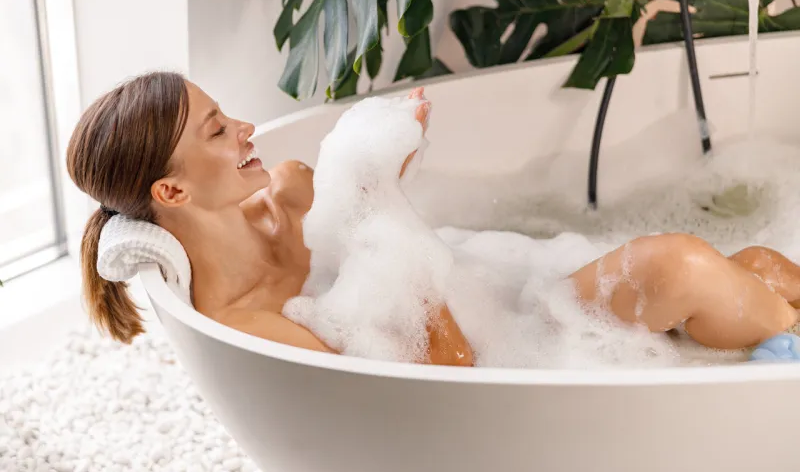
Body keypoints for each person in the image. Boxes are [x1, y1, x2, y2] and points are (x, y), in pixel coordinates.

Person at [66, 72, 800, 368]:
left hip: (517, 311)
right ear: (171, 194)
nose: (249, 128)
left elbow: (378, 240)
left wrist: (382, 183)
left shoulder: (280, 198)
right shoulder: (250, 325)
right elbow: (448, 378)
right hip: (507, 375)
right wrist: (387, 225)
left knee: (755, 264)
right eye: (218, 131)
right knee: (686, 268)